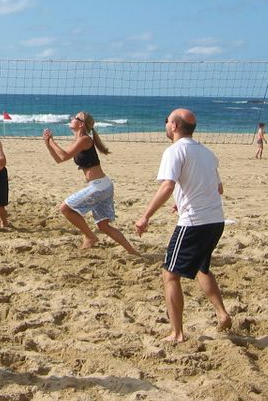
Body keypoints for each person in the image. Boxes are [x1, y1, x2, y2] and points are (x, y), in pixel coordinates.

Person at [134, 108, 232, 343]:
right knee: (202, 268)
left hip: (194, 222)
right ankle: (222, 314)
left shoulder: (174, 151)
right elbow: (217, 188)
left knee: (170, 274)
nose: (165, 124)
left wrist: (145, 216)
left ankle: (177, 333)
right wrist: (184, 198)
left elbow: (167, 186)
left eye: (166, 121)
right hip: (216, 221)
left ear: (175, 127)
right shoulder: (207, 153)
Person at [42, 112, 139, 254]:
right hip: (103, 186)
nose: (71, 119)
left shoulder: (85, 140)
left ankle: (89, 236)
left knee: (65, 208)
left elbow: (63, 155)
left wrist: (52, 141)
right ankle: (133, 252)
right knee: (103, 226)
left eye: (75, 118)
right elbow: (59, 159)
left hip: (99, 186)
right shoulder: (79, 141)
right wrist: (48, 144)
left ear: (81, 124)